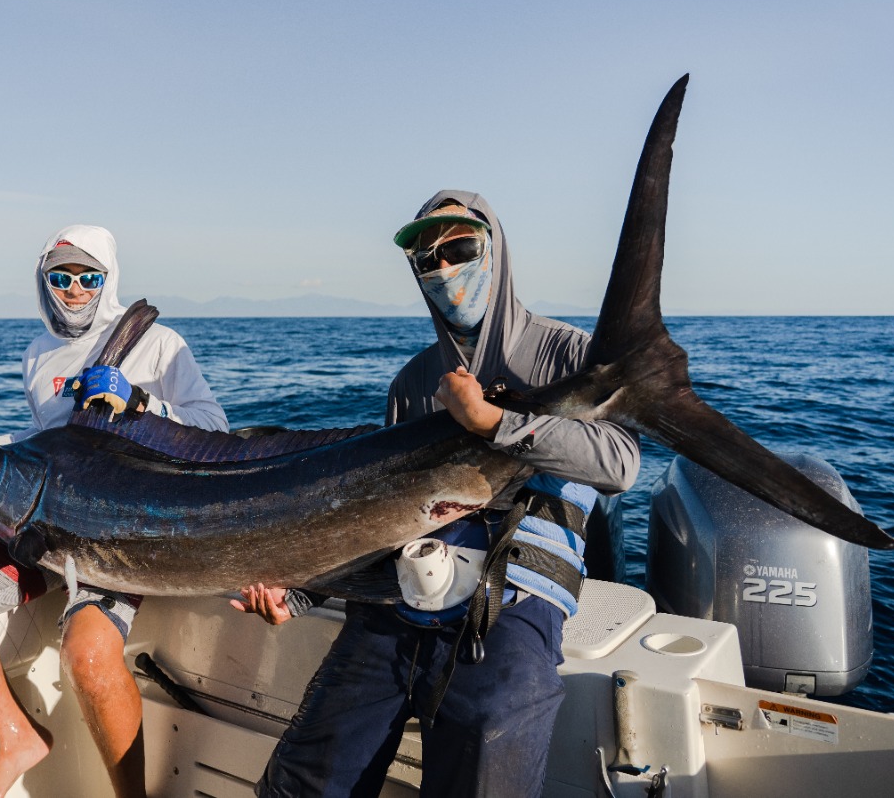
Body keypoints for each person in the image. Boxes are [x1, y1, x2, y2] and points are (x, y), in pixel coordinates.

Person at [233, 191, 641, 797]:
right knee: (306, 776)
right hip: (397, 595)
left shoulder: (568, 354)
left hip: (515, 593)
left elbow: (621, 462)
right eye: (429, 260)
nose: (445, 269)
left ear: (494, 251)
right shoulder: (412, 382)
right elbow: (378, 514)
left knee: (484, 748)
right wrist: (297, 591)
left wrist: (494, 423)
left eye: (460, 249)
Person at [0, 224, 228, 798]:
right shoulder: (37, 352)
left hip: (120, 531)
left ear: (107, 279)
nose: (75, 288)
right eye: (62, 276)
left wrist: (140, 401)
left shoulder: (161, 344)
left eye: (88, 276)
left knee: (89, 657)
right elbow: (43, 440)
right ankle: (18, 732)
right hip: (40, 521)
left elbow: (215, 429)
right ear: (44, 281)